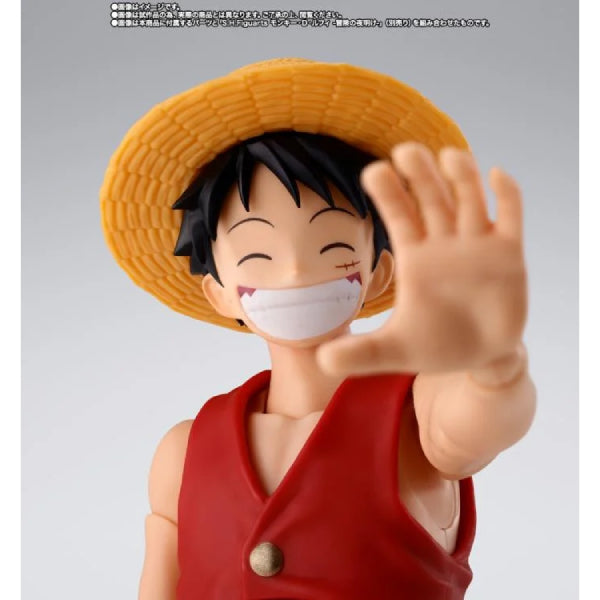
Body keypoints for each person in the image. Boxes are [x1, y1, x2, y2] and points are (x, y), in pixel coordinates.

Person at [100, 58, 536, 599]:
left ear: (380, 271)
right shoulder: (183, 452)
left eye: (332, 247)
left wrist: (494, 364)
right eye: (258, 255)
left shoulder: (413, 418)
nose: (295, 273)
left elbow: (474, 425)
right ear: (218, 292)